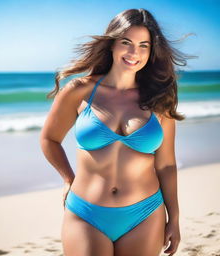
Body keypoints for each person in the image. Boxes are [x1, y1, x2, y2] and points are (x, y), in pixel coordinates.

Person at [40, 8, 195, 256]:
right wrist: (68, 179)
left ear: (152, 51)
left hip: (144, 214)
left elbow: (166, 165)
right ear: (112, 44)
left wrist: (174, 217)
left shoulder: (159, 100)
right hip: (86, 212)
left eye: (144, 45)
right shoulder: (79, 90)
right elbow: (49, 139)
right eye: (127, 42)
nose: (135, 53)